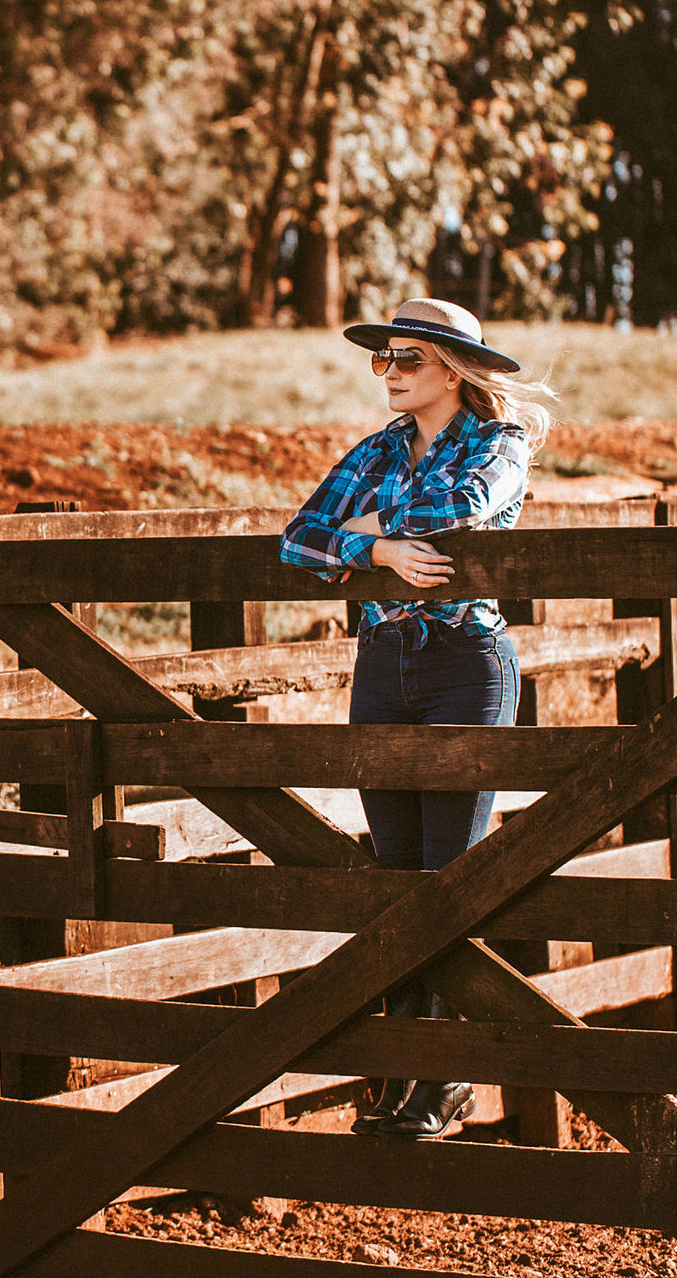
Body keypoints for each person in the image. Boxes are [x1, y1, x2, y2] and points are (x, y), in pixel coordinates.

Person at [279, 297, 556, 1139]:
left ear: (453, 371)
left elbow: (459, 508)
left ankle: (445, 1079)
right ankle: (405, 1076)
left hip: (464, 665)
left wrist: (368, 527)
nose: (389, 372)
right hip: (383, 665)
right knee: (396, 877)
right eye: (384, 358)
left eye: (407, 359)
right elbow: (297, 537)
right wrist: (373, 549)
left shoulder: (499, 443)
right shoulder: (377, 450)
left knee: (450, 875)